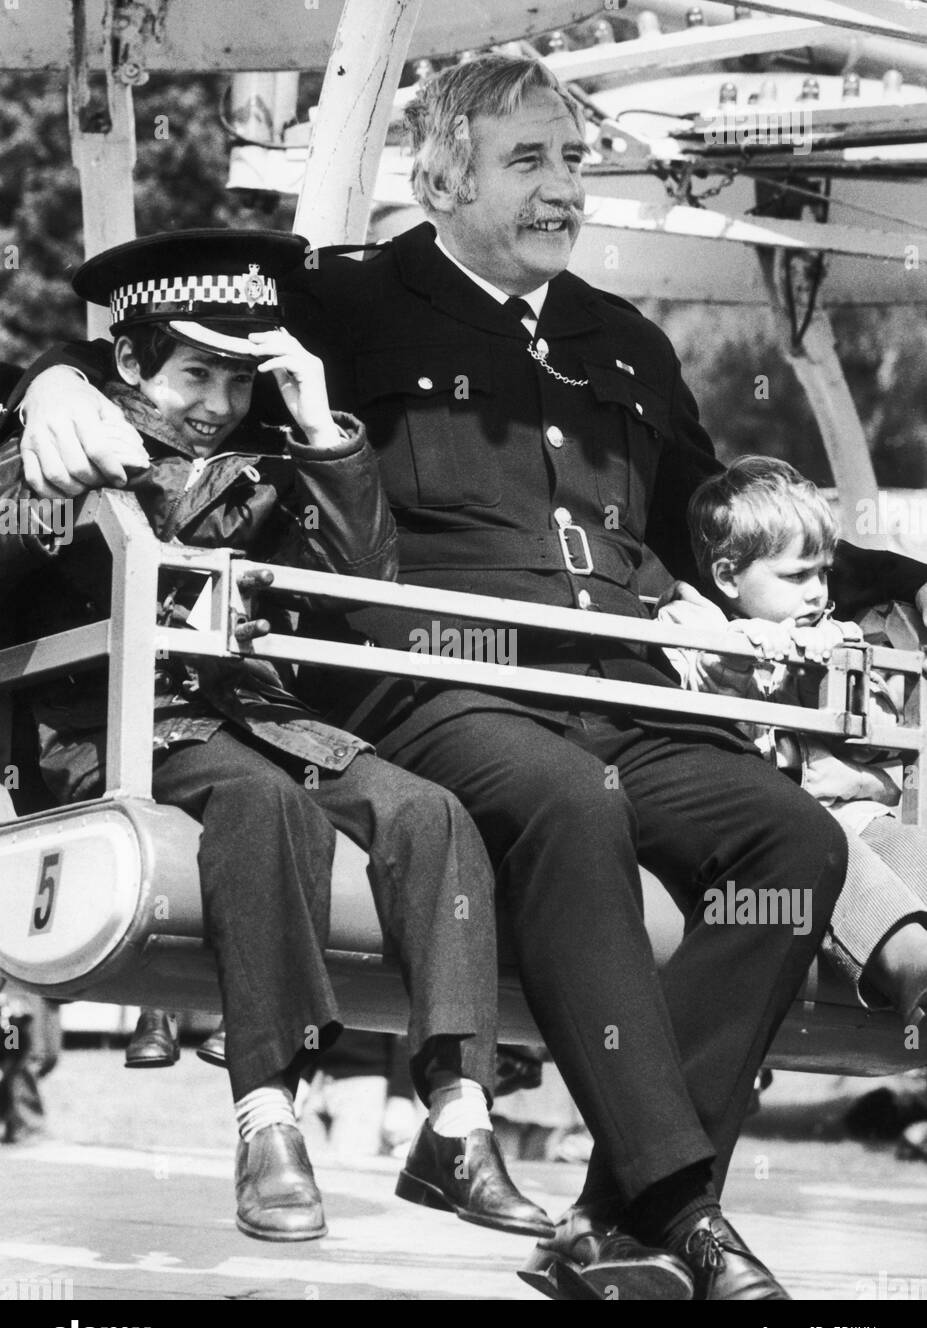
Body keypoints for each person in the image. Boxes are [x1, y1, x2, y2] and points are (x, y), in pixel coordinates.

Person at [12, 57, 927, 1301]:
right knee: (569, 801)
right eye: (531, 161)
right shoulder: (347, 303)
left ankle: (619, 1208)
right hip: (442, 686)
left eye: (575, 163)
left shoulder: (628, 344)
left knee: (793, 848)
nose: (565, 190)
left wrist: (896, 582)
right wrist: (49, 386)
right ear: (440, 179)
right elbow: (159, 345)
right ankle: (680, 1209)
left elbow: (704, 524)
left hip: (625, 688)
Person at [0, 228, 552, 1244]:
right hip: (117, 728)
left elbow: (366, 584)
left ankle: (459, 1121)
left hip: (264, 723)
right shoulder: (58, 448)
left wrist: (315, 422)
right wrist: (62, 470)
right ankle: (268, 1118)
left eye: (239, 378)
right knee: (263, 805)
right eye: (196, 372)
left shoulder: (263, 466)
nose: (218, 401)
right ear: (128, 360)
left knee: (430, 813)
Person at [659, 455, 927, 1029]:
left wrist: (862, 679)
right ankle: (911, 966)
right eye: (796, 576)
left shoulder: (837, 633)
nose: (816, 593)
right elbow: (724, 667)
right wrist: (793, 658)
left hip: (852, 804)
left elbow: (877, 728)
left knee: (910, 846)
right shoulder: (696, 626)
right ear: (729, 576)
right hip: (780, 818)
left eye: (823, 573)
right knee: (839, 858)